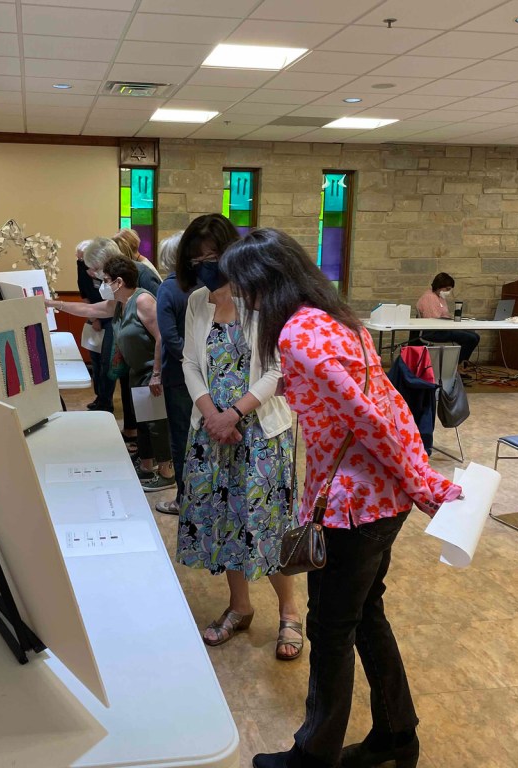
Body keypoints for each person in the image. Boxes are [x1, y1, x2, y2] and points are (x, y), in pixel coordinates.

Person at [222, 229, 462, 768]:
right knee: (364, 615)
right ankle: (398, 735)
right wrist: (415, 475)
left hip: (352, 507)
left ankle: (315, 755)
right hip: (381, 500)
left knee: (331, 629)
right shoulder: (340, 322)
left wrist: (423, 481)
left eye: (244, 287)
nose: (243, 299)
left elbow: (368, 416)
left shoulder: (298, 335)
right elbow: (389, 404)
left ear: (266, 282)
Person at [176, 214, 302, 661]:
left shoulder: (264, 300)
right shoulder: (197, 302)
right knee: (224, 520)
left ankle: (290, 611)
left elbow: (277, 369)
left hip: (260, 434)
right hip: (212, 432)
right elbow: (190, 362)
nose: (205, 265)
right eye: (197, 259)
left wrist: (234, 414)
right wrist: (211, 414)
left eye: (213, 256)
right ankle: (239, 606)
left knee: (266, 524)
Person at [49, 255, 175, 492]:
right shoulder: (120, 303)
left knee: (156, 423)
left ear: (119, 281)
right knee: (144, 422)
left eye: (106, 280)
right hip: (137, 371)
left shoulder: (143, 300)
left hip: (151, 371)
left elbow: (162, 337)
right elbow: (88, 308)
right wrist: (55, 304)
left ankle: (167, 473)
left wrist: (157, 373)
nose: (103, 285)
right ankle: (147, 466)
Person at [84, 238, 161, 453]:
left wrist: (157, 371)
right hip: (133, 357)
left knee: (152, 419)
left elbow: (159, 325)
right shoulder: (118, 282)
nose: (97, 276)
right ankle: (137, 440)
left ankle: (155, 460)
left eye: (99, 270)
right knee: (134, 402)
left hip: (148, 361)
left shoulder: (142, 275)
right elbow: (101, 309)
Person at [154, 231, 192, 516]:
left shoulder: (168, 288)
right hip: (207, 372)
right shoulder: (202, 286)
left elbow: (168, 336)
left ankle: (182, 499)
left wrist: (190, 362)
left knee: (180, 438)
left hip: (179, 376)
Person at [75, 239, 112, 413]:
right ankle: (99, 396)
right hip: (94, 314)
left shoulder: (105, 269)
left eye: (84, 259)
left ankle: (106, 400)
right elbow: (84, 292)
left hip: (109, 315)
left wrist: (98, 316)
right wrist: (93, 318)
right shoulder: (81, 266)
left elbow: (110, 301)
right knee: (95, 360)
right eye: (81, 260)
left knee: (107, 362)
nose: (83, 263)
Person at [415, 272, 480, 365]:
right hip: (432, 332)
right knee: (471, 338)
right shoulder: (429, 298)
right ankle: (456, 367)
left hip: (441, 329)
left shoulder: (439, 297)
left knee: (475, 336)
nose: (448, 292)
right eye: (447, 289)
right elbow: (434, 321)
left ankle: (459, 365)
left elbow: (444, 316)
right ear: (439, 286)